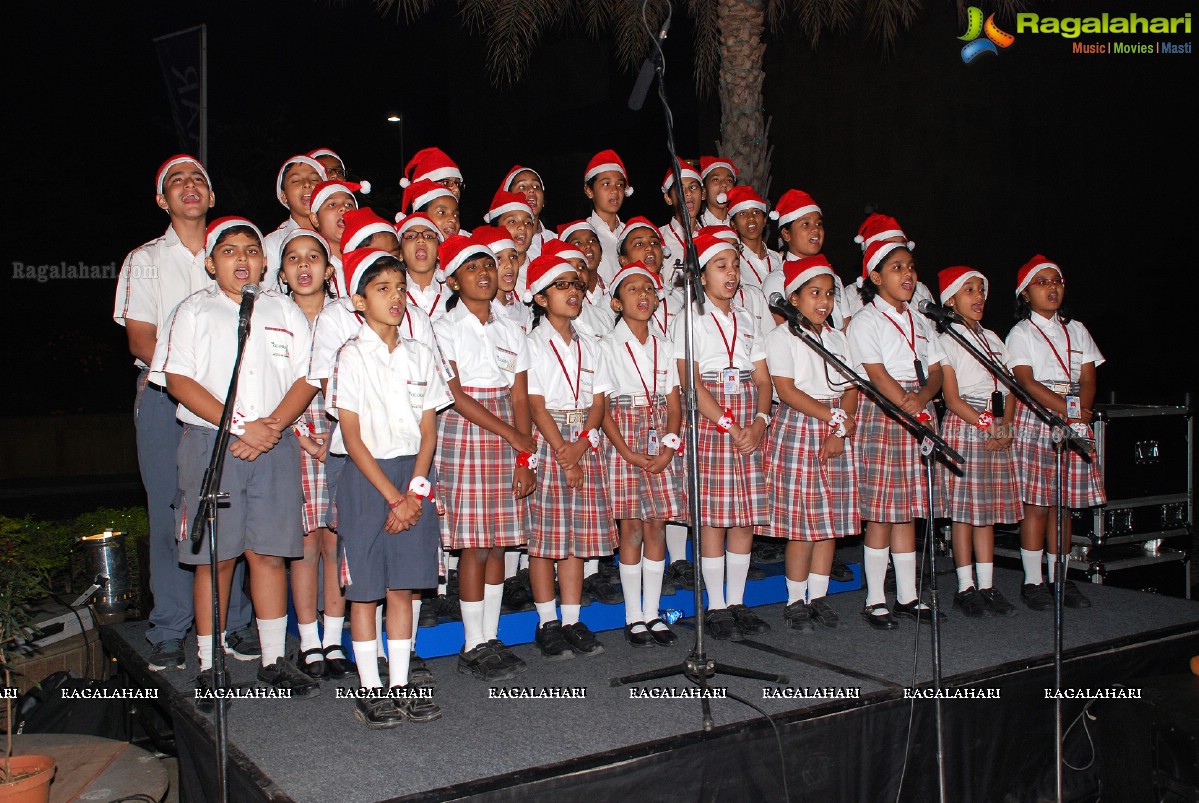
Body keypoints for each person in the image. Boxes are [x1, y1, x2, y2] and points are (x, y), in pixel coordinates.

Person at [153, 216, 319, 703]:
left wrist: (270, 428)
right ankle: (210, 664)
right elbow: (179, 380)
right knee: (216, 557)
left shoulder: (283, 311)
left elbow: (308, 377)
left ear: (265, 262)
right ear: (210, 262)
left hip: (274, 442)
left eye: (251, 250)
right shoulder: (193, 312)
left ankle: (273, 660)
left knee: (268, 554)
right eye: (229, 251)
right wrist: (239, 426)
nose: (242, 259)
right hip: (213, 443)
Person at [114, 155, 256, 672]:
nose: (189, 186)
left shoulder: (239, 251)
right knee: (172, 508)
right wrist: (194, 384)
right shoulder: (146, 260)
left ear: (212, 197)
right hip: (164, 396)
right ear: (162, 200)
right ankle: (172, 626)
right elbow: (140, 338)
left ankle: (234, 622)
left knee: (230, 503)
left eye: (199, 179)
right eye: (176, 181)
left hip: (237, 402)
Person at [328, 248, 451, 727]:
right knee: (365, 590)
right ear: (359, 302)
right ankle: (370, 688)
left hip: (413, 477)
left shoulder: (421, 353)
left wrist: (415, 491)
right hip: (367, 478)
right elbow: (353, 438)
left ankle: (400, 684)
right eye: (382, 290)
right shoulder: (352, 355)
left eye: (400, 289)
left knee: (403, 586)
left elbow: (429, 430)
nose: (396, 297)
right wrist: (393, 497)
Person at [432, 236, 537, 679]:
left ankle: (491, 635)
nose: (484, 273)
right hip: (466, 433)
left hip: (508, 436)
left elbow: (520, 395)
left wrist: (523, 456)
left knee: (499, 542)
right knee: (473, 544)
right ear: (454, 280)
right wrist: (515, 436)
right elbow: (455, 396)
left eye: (489, 266)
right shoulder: (442, 328)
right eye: (472, 268)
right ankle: (472, 642)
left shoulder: (513, 328)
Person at [675, 233, 773, 640]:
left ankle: (737, 600)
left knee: (744, 516)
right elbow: (690, 383)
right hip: (713, 421)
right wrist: (729, 425)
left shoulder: (749, 319)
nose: (731, 273)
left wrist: (760, 422)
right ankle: (714, 604)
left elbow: (764, 380)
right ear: (700, 275)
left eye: (735, 265)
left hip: (748, 421)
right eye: (721, 266)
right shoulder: (690, 320)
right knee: (714, 516)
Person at [846, 239, 946, 630]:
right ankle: (874, 599)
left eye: (910, 267)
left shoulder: (921, 321)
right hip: (885, 411)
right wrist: (905, 401)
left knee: (908, 511)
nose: (907, 275)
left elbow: (936, 369)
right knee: (883, 511)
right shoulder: (867, 320)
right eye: (897, 268)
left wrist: (921, 397)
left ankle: (908, 595)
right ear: (875, 277)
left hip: (918, 407)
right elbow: (874, 370)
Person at [524, 253, 617, 659]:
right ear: (541, 298)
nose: (573, 291)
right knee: (546, 538)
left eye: (576, 285)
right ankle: (547, 621)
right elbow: (535, 403)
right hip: (550, 438)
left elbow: (599, 401)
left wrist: (583, 441)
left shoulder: (590, 344)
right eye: (561, 285)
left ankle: (572, 618)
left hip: (582, 436)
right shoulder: (531, 343)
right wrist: (564, 452)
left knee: (577, 536)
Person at [275, 229, 357, 678]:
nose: (303, 266)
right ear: (283, 272)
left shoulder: (346, 315)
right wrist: (300, 434)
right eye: (293, 258)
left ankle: (333, 640)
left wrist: (340, 431)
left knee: (336, 541)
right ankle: (307, 641)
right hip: (292, 438)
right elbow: (266, 385)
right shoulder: (276, 317)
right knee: (303, 544)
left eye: (313, 258)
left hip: (344, 436)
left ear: (330, 270)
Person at [764, 255, 860, 631]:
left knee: (830, 520)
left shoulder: (837, 338)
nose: (823, 301)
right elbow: (786, 390)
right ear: (794, 297)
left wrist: (840, 428)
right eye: (814, 293)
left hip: (835, 423)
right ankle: (794, 598)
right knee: (803, 523)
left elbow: (851, 387)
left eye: (830, 294)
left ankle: (819, 596)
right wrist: (832, 420)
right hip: (802, 423)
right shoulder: (780, 336)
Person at [1005, 255, 1106, 611]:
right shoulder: (1021, 333)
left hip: (1073, 415)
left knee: (1061, 506)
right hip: (1039, 416)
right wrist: (1071, 412)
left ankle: (1060, 579)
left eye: (1057, 281)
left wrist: (1079, 412)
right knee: (1037, 504)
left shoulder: (1077, 330)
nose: (1052, 288)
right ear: (1025, 294)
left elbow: (1089, 378)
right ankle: (1033, 581)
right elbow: (1026, 381)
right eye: (1042, 282)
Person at [600, 262, 686, 647]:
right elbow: (600, 406)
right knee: (631, 527)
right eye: (633, 290)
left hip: (658, 436)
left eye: (649, 289)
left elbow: (674, 402)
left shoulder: (665, 345)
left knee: (658, 526)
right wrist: (625, 451)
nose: (643, 296)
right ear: (617, 303)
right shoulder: (605, 345)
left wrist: (669, 445)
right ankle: (633, 615)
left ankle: (653, 612)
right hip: (623, 434)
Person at [936, 266, 1021, 618]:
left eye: (981, 290)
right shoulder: (946, 340)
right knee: (965, 514)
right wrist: (988, 425)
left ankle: (987, 585)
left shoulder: (994, 339)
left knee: (987, 513)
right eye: (969, 290)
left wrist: (1006, 424)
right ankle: (964, 587)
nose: (978, 297)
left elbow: (1011, 388)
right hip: (967, 424)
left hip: (994, 426)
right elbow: (953, 399)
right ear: (951, 300)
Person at [262, 154, 327, 287]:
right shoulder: (272, 244)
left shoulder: (338, 236)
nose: (307, 184)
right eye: (296, 181)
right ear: (284, 196)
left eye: (314, 179)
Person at [308, 179, 372, 293]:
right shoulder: (311, 264)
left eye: (349, 204)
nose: (344, 208)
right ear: (315, 219)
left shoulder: (370, 259)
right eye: (332, 204)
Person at [583, 149, 634, 288]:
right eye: (606, 184)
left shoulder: (631, 234)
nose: (614, 190)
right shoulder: (582, 234)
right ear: (589, 191)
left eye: (620, 184)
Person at [725, 186, 781, 293]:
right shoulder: (733, 262)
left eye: (756, 212)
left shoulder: (778, 260)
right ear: (734, 224)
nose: (751, 218)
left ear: (765, 220)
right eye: (743, 213)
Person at [659, 160, 704, 291]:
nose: (688, 193)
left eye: (693, 187)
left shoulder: (710, 236)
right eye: (680, 188)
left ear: (703, 194)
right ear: (668, 198)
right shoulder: (657, 238)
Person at [500, 165, 555, 260]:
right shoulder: (497, 244)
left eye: (536, 186)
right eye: (522, 186)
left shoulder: (557, 240)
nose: (531, 190)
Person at [698, 156, 738, 227]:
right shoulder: (696, 227)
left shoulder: (740, 225)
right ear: (703, 192)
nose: (724, 184)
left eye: (729, 180)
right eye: (716, 180)